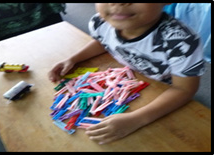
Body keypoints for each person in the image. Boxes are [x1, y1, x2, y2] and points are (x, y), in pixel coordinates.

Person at [48, 3, 205, 144]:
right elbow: (102, 41)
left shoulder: (181, 42)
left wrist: (136, 119)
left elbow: (184, 89)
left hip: (165, 91)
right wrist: (74, 59)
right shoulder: (101, 22)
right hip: (132, 81)